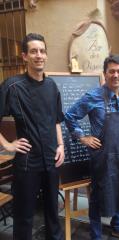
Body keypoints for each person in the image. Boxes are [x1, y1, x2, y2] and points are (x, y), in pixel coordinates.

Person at [65, 54, 119, 240]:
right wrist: (83, 137)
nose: (116, 75)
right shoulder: (93, 96)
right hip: (102, 156)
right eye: (111, 71)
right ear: (104, 74)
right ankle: (96, 235)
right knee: (98, 195)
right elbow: (70, 116)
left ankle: (118, 227)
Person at [0, 33, 65, 240]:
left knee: (53, 214)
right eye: (34, 51)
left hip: (51, 160)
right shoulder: (12, 86)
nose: (39, 55)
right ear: (25, 56)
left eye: (42, 51)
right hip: (27, 163)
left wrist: (61, 145)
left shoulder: (52, 86)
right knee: (24, 217)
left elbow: (56, 120)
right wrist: (8, 145)